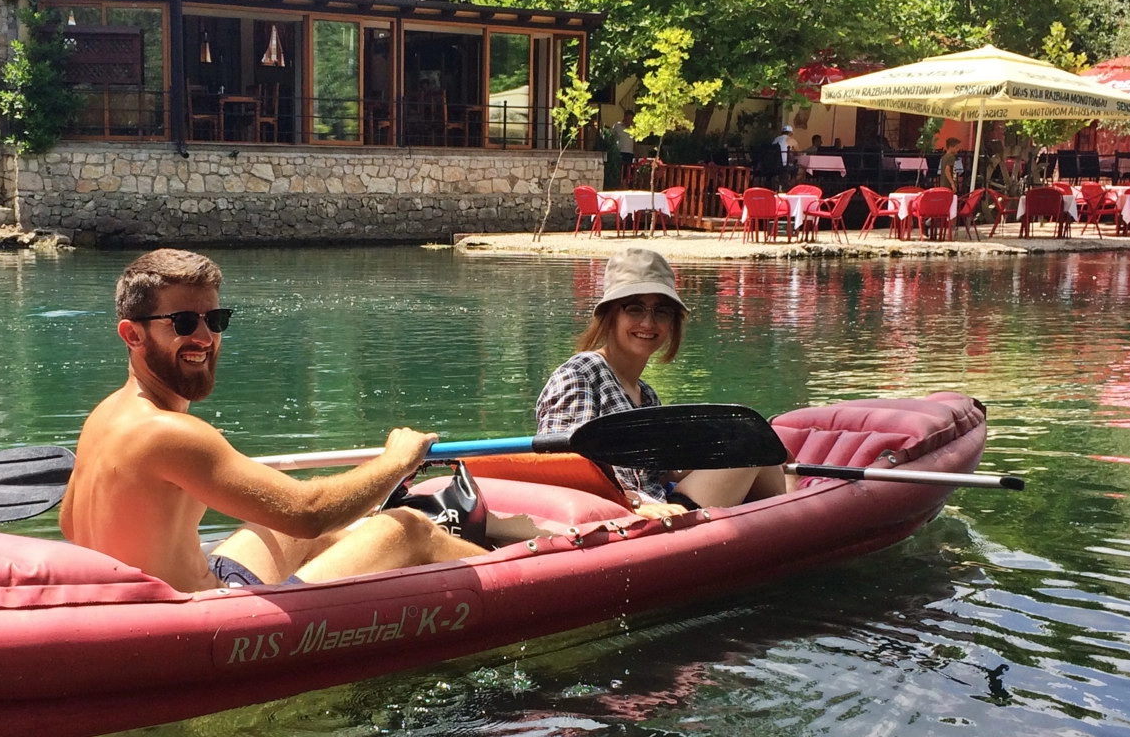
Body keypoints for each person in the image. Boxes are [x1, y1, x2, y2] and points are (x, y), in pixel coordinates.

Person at [62, 249, 483, 592]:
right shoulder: (168, 433)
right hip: (197, 621)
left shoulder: (105, 416)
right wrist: (398, 462)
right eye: (184, 323)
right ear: (133, 335)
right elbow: (308, 512)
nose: (205, 338)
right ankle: (528, 573)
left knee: (318, 534)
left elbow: (69, 524)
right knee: (407, 528)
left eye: (216, 320)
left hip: (170, 593)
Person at [536, 248, 787, 519]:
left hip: (663, 508)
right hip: (627, 521)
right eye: (634, 308)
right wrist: (636, 505)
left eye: (662, 311)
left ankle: (790, 521)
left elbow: (656, 472)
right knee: (750, 447)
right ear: (610, 314)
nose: (648, 322)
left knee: (757, 445)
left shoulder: (646, 394)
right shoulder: (580, 374)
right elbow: (565, 470)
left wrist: (727, 446)